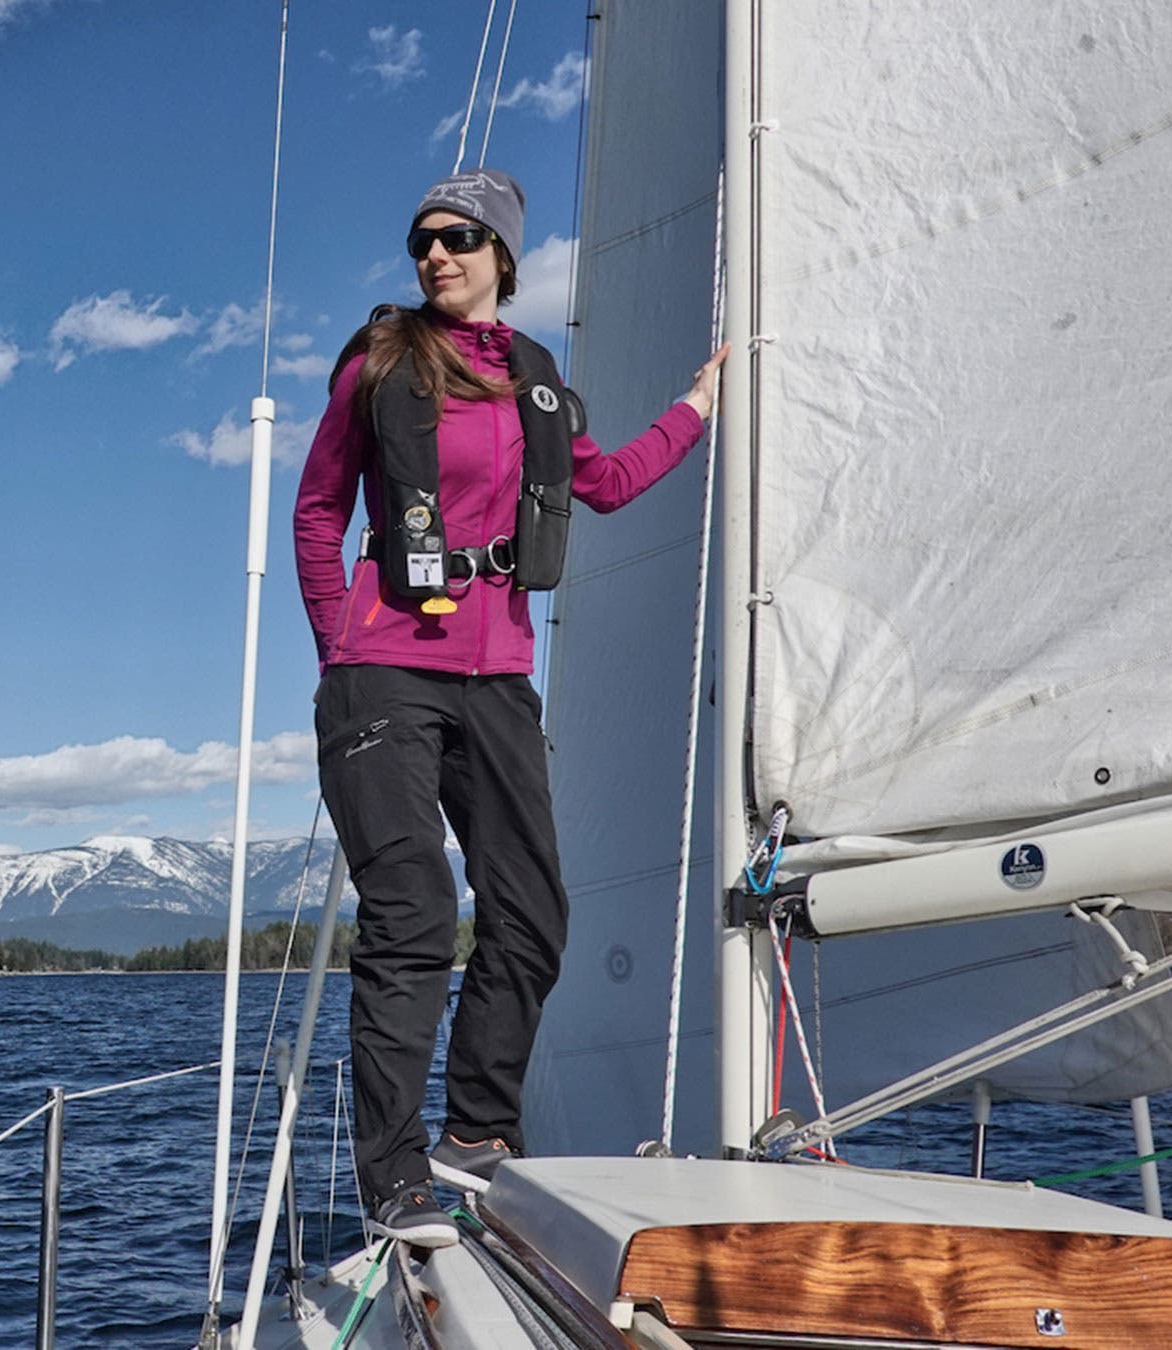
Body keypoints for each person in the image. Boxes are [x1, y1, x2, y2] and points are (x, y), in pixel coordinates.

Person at [292, 168, 728, 1248]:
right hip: (384, 667)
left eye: (459, 240)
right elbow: (317, 511)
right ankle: (393, 1179)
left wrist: (696, 409)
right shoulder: (380, 364)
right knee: (413, 917)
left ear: (502, 260)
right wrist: (339, 643)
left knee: (533, 917)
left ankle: (475, 1135)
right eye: (424, 241)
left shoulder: (536, 380)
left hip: (497, 673)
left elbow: (609, 482)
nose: (437, 256)